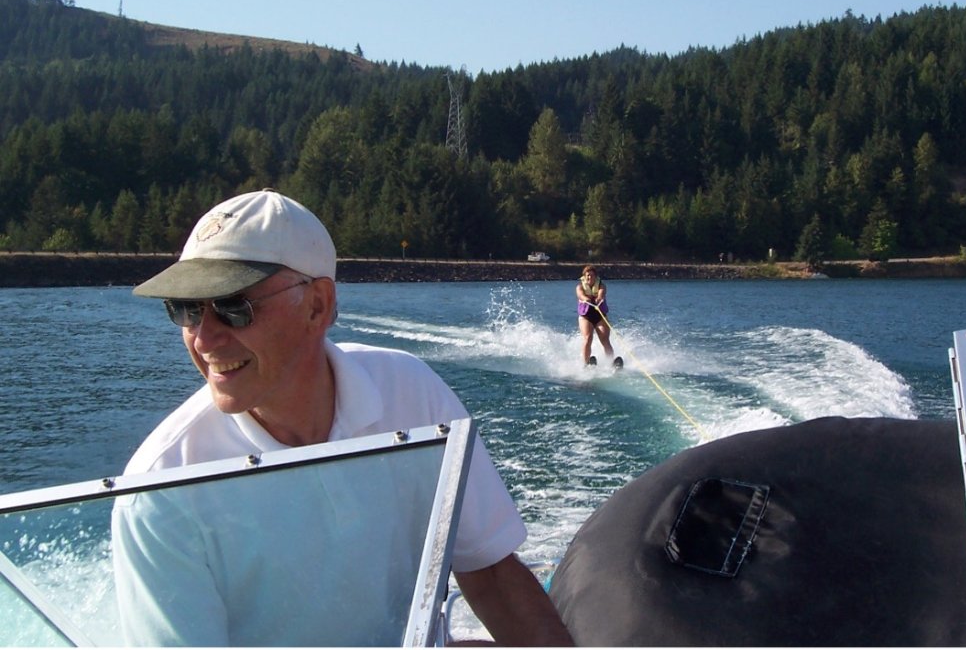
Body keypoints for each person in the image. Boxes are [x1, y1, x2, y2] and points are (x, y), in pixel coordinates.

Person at [111, 189, 573, 646]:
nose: (205, 339)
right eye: (187, 309)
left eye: (234, 307)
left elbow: (489, 572)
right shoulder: (161, 488)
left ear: (318, 305)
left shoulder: (412, 393)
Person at [575, 265, 615, 366]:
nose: (590, 277)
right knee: (588, 338)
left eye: (592, 275)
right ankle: (585, 363)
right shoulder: (580, 286)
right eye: (588, 275)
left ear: (596, 276)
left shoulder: (601, 285)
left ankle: (611, 363)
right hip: (586, 316)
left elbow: (602, 293)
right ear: (584, 277)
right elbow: (580, 294)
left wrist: (599, 298)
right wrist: (585, 298)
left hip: (600, 315)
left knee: (605, 340)